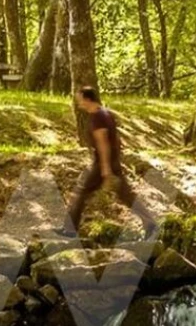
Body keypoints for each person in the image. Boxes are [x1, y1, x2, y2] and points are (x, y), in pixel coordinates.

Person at [57, 86, 157, 239]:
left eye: (80, 99)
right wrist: (115, 160)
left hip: (102, 163)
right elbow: (116, 139)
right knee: (126, 195)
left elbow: (103, 142)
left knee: (81, 192)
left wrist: (105, 168)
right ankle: (151, 225)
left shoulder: (98, 117)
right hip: (113, 160)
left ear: (87, 99)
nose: (79, 103)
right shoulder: (106, 113)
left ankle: (70, 229)